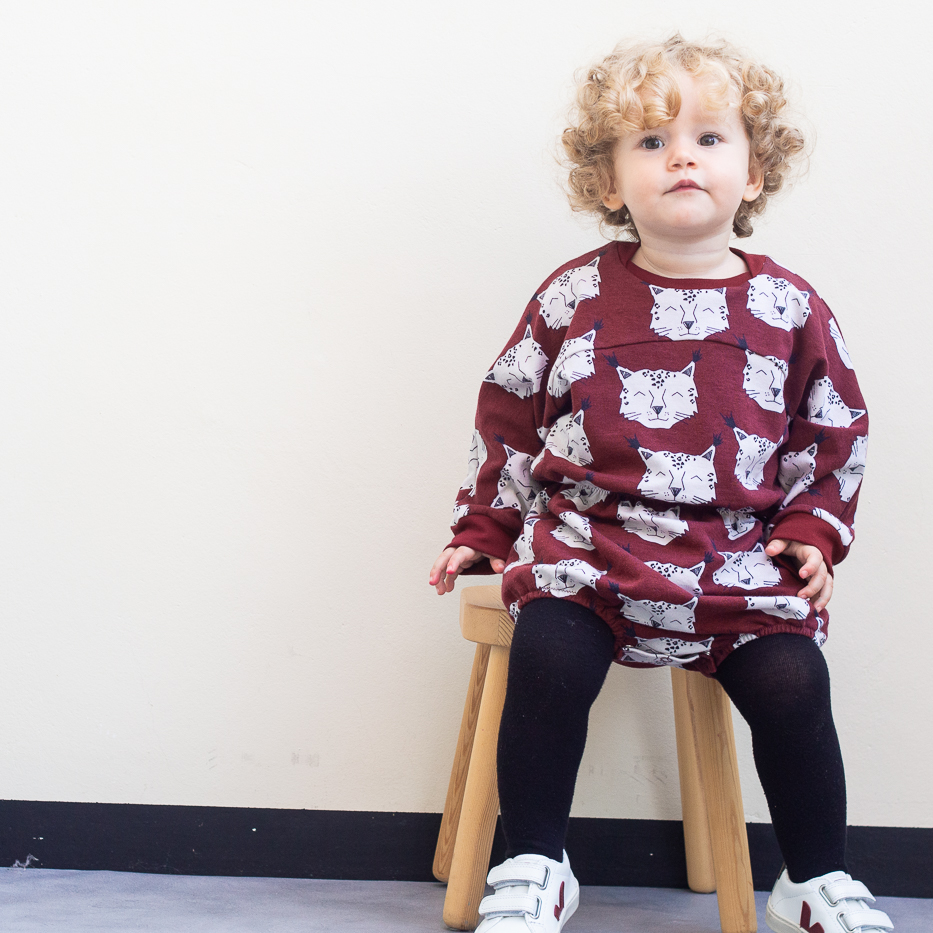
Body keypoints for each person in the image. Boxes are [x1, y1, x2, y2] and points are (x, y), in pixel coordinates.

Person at [429, 35, 890, 933]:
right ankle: (535, 860)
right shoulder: (572, 297)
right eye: (650, 141)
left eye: (709, 138)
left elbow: (833, 428)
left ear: (754, 173)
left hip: (734, 564)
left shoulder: (790, 307)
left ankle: (813, 877)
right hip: (589, 554)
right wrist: (483, 529)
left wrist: (812, 529)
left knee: (794, 680)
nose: (681, 156)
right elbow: (509, 415)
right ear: (608, 182)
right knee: (549, 658)